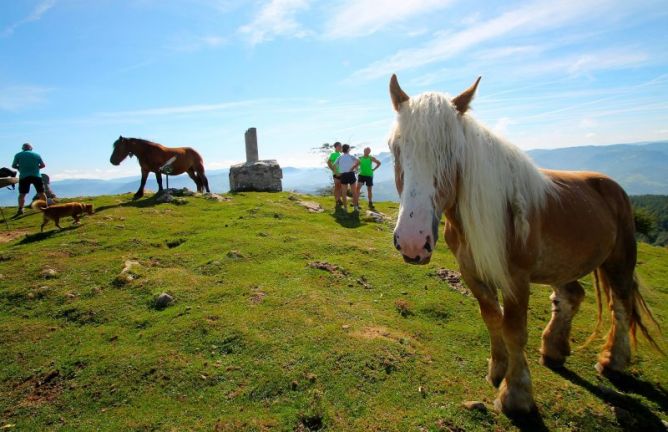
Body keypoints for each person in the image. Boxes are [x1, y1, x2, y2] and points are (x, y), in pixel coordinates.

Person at [11, 143, 47, 216]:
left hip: (24, 176)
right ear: (31, 148)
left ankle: (20, 209)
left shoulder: (18, 155)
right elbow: (43, 165)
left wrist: (19, 168)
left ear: (22, 148)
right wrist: (37, 168)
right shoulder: (36, 155)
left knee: (22, 194)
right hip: (36, 175)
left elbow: (13, 165)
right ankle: (45, 207)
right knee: (41, 192)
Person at [334, 144, 360, 211]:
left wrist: (338, 173)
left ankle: (345, 208)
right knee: (354, 192)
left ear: (342, 149)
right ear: (348, 149)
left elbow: (334, 165)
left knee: (344, 193)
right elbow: (359, 161)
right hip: (351, 174)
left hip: (343, 175)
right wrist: (353, 168)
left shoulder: (339, 157)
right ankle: (356, 207)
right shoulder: (351, 156)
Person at [326, 142, 343, 206]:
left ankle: (339, 199)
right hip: (336, 173)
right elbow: (328, 162)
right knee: (337, 186)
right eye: (339, 146)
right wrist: (333, 170)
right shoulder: (333, 154)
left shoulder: (341, 154)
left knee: (340, 187)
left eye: (341, 146)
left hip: (342, 173)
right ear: (335, 147)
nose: (340, 147)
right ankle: (337, 200)